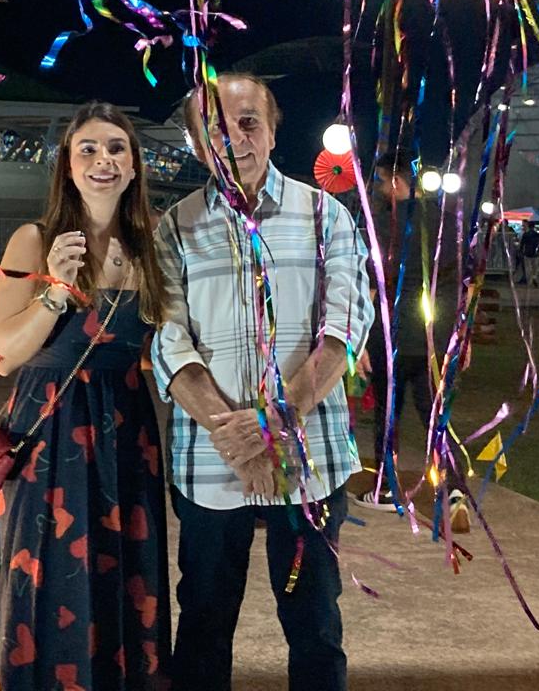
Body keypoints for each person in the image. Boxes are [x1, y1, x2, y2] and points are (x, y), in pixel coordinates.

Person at [152, 72, 371, 691]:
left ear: (273, 131)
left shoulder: (325, 215)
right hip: (210, 459)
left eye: (248, 122)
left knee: (315, 624)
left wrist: (276, 423)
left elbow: (345, 327)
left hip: (309, 456)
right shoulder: (175, 227)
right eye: (215, 128)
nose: (234, 139)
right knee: (203, 622)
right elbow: (169, 339)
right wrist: (237, 436)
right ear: (199, 144)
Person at [0, 102, 171, 691]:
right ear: (67, 166)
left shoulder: (152, 246)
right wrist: (54, 291)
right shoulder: (34, 239)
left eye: (116, 148)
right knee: (44, 570)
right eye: (87, 149)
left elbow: (165, 344)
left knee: (124, 569)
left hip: (126, 430)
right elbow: (0, 355)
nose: (103, 160)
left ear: (134, 165)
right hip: (49, 430)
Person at [357, 149, 461, 530]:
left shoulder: (384, 225)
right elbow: (459, 283)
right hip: (435, 336)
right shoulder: (445, 222)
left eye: (381, 181)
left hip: (392, 337)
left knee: (388, 415)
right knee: (434, 414)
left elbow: (371, 288)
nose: (379, 189)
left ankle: (387, 487)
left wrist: (360, 342)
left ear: (396, 180)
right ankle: (453, 487)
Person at [519, 221, 539, 287]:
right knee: (535, 267)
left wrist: (521, 251)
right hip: (535, 253)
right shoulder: (537, 234)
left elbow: (522, 244)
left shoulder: (525, 234)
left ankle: (529, 281)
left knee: (528, 268)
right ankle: (534, 277)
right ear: (534, 226)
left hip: (527, 252)